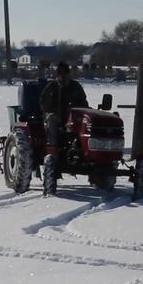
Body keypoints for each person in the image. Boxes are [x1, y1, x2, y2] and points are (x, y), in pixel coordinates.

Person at [39, 62, 88, 195]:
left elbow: (84, 103)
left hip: (72, 119)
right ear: (57, 75)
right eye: (60, 74)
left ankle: (83, 150)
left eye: (65, 74)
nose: (62, 77)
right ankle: (53, 150)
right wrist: (51, 111)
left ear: (68, 74)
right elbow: (44, 103)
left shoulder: (76, 87)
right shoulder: (52, 87)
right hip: (55, 117)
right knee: (52, 120)